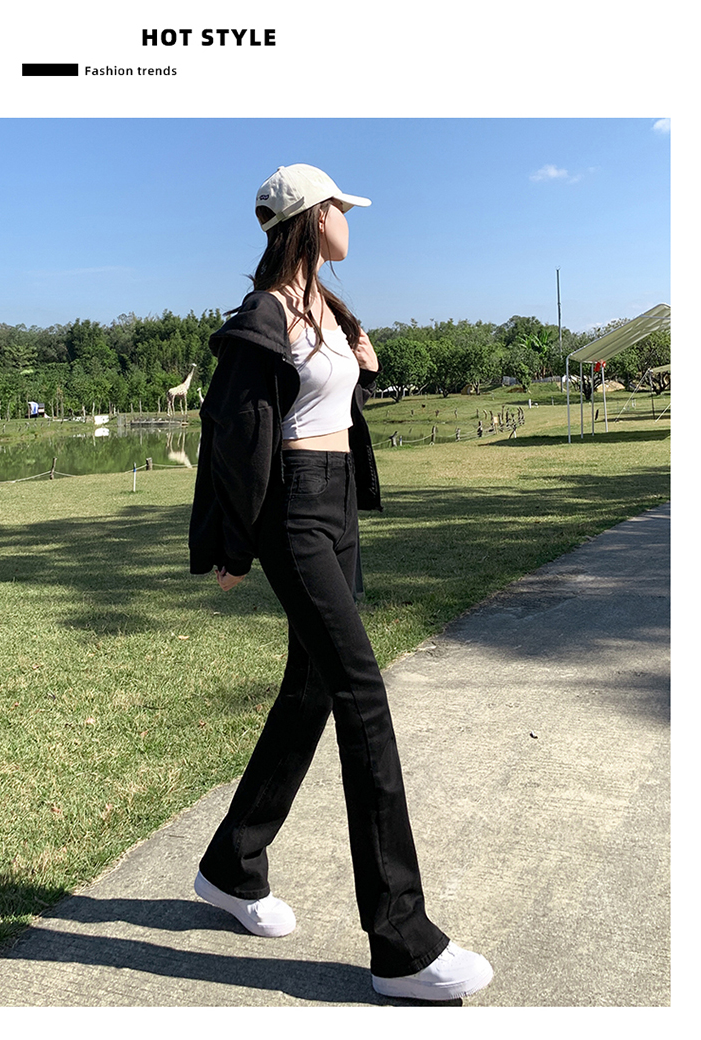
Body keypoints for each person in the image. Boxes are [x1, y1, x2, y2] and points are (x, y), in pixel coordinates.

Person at [188, 163, 493, 1002]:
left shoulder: (328, 306)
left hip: (338, 505)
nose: (351, 219)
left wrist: (361, 363)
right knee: (363, 696)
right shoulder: (264, 315)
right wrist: (231, 545)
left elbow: (322, 402)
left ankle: (231, 864)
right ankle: (401, 941)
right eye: (342, 208)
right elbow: (232, 433)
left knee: (314, 688)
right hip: (292, 511)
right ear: (313, 217)